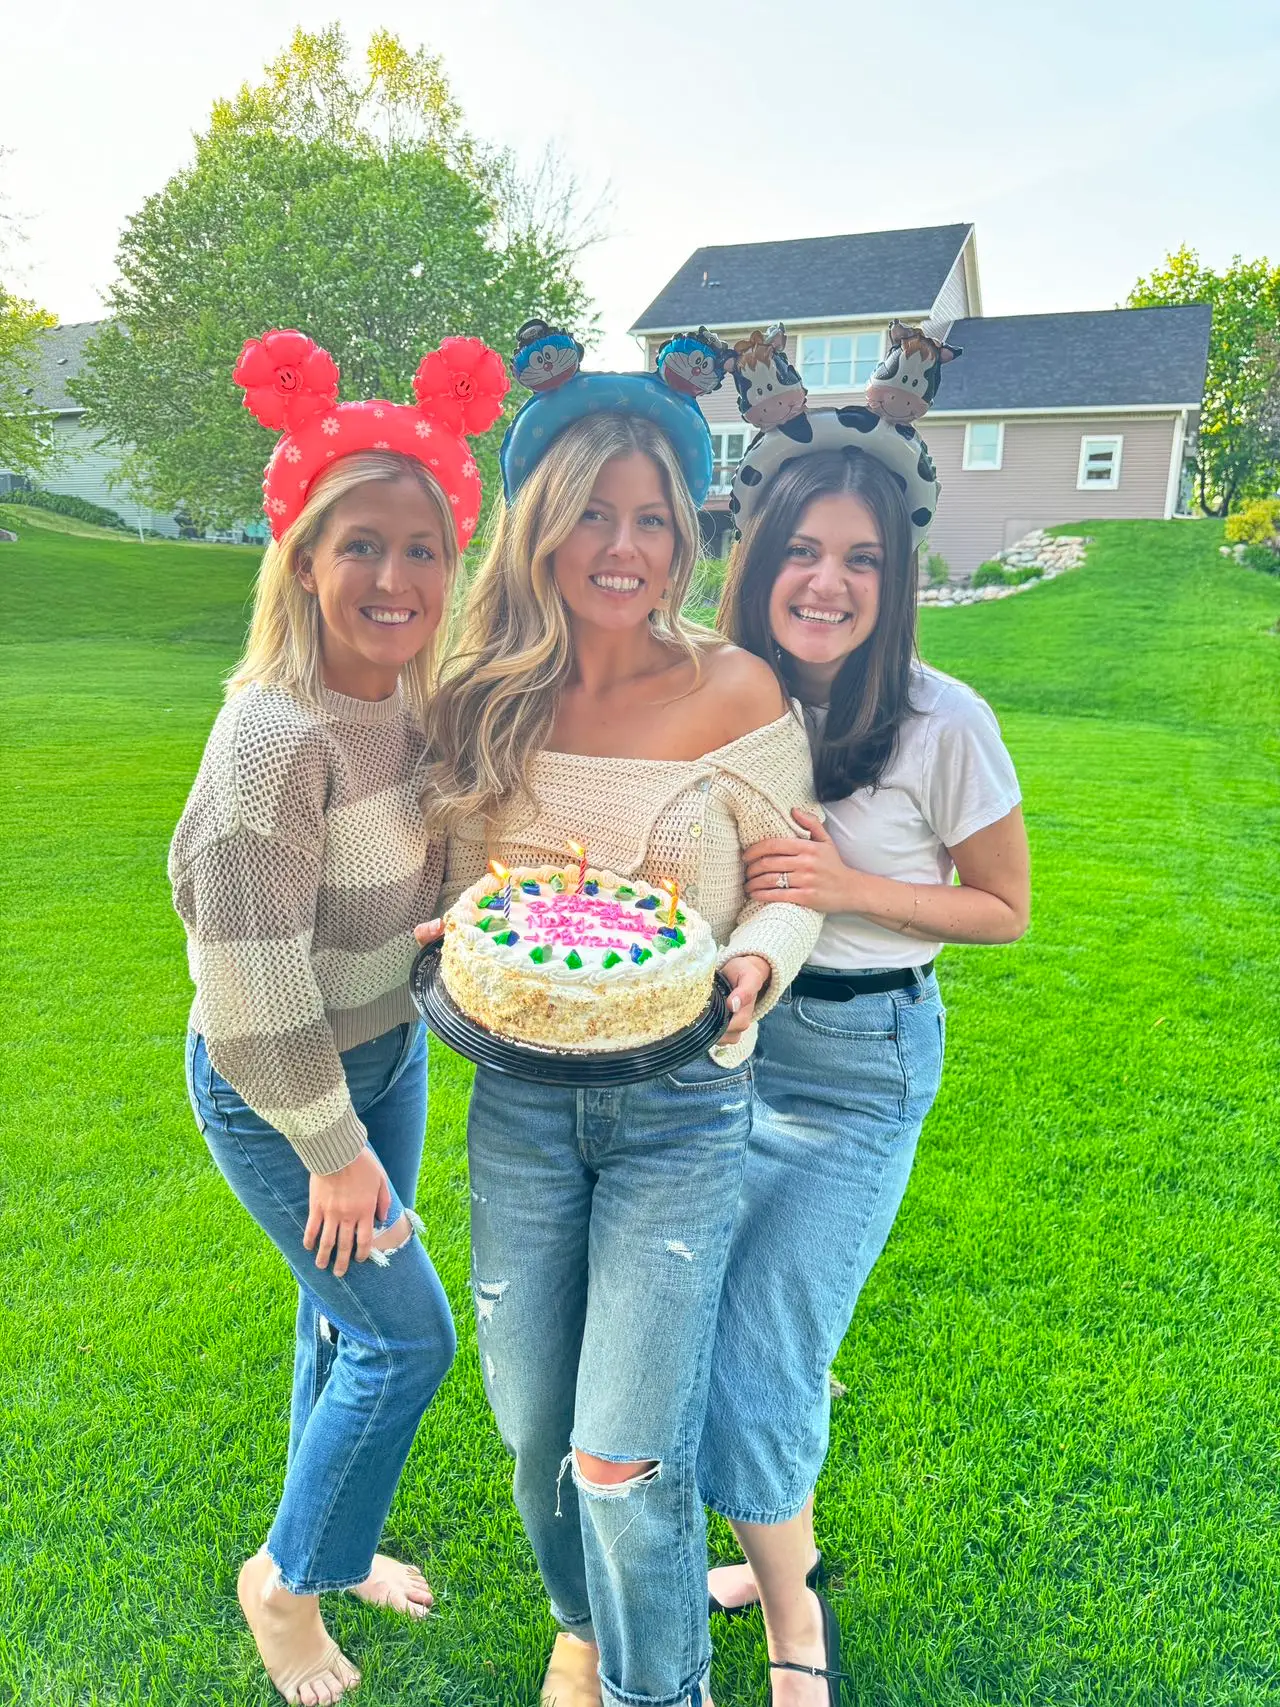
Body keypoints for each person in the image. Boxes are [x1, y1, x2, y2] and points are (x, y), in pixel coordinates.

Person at [418, 325, 822, 1707]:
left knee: (623, 1451)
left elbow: (790, 879)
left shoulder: (735, 688)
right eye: (593, 509)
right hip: (519, 1105)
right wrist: (446, 934)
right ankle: (580, 1616)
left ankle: (663, 1690)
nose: (624, 543)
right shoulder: (484, 699)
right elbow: (470, 898)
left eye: (653, 516)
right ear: (540, 520)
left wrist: (759, 961)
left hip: (684, 1107)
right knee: (537, 1434)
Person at [170, 329, 507, 1705]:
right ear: (303, 558)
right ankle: (288, 1583)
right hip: (280, 1086)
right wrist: (330, 1146)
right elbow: (246, 981)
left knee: (338, 1325)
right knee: (401, 1336)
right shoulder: (272, 736)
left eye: (422, 549)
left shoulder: (421, 709)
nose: (394, 577)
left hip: (386, 1056)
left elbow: (445, 874)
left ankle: (342, 1542)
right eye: (358, 544)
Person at [697, 330, 1031, 1707]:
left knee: (768, 1346)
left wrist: (845, 885)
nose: (826, 581)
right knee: (715, 1328)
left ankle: (794, 1627)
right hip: (719, 1051)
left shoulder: (943, 720)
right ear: (757, 556)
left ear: (893, 582)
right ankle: (765, 1537)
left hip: (859, 1067)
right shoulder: (720, 704)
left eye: (862, 560)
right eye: (801, 550)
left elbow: (1003, 906)